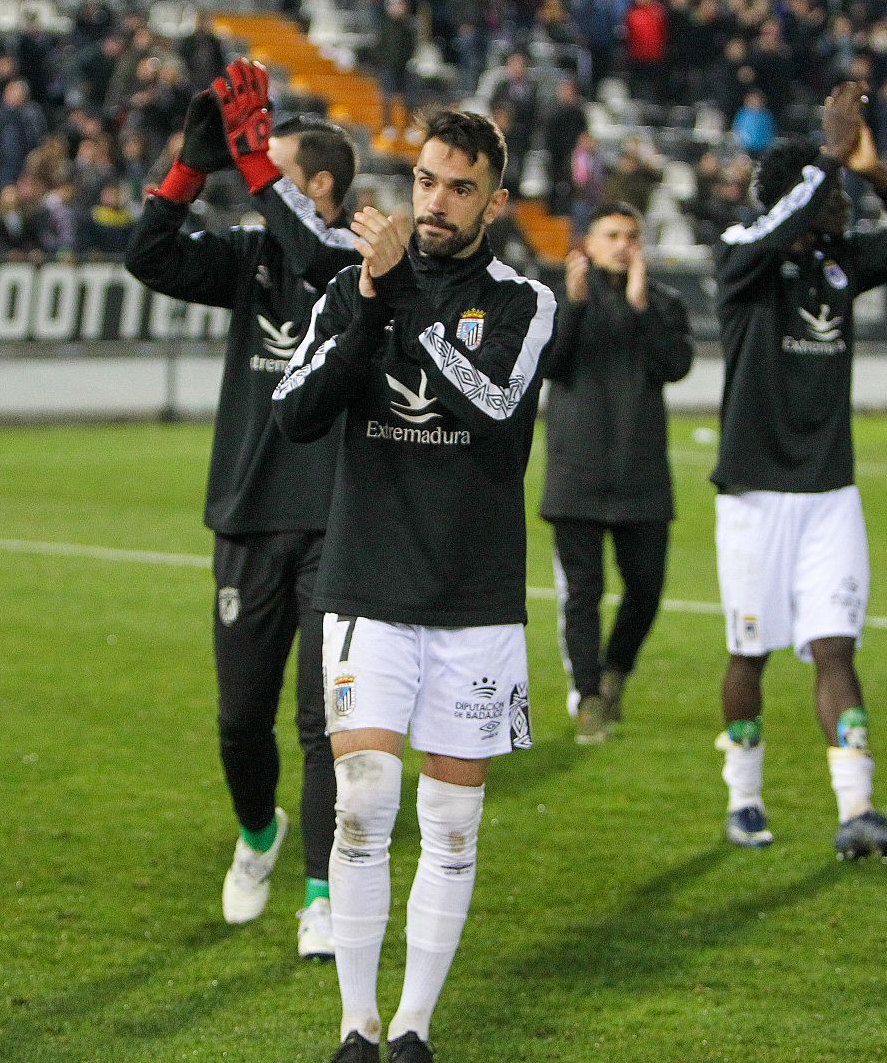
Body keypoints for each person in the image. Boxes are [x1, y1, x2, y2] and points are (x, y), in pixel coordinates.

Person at [273, 110, 555, 1063]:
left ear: (495, 202)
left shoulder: (524, 302)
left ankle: (413, 1025)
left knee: (452, 821)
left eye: (461, 187)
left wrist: (403, 306)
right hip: (364, 585)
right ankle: (356, 1023)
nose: (437, 201)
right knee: (361, 799)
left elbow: (495, 408)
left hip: (474, 597)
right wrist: (367, 307)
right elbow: (297, 414)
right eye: (428, 181)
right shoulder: (352, 291)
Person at [124, 59, 362, 960]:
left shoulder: (359, 258)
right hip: (249, 514)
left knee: (321, 722)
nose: (257, 173)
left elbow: (313, 251)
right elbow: (146, 255)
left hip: (337, 523)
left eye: (276, 164)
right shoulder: (250, 255)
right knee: (239, 720)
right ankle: (257, 830)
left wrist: (254, 162)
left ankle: (319, 890)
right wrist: (189, 167)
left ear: (322, 186)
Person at [710, 82, 887, 859]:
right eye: (834, 191)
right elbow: (767, 234)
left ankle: (858, 808)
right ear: (794, 199)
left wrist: (874, 172)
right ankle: (744, 794)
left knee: (835, 647)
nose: (844, 204)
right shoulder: (741, 260)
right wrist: (824, 163)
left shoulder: (844, 264)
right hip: (752, 495)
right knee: (749, 653)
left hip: (830, 495)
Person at [542, 202, 692, 744]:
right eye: (612, 234)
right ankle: (587, 699)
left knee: (646, 589)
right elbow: (550, 366)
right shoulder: (560, 300)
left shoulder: (663, 303)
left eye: (632, 235)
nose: (623, 244)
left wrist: (640, 306)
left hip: (642, 473)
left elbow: (674, 366)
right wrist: (577, 307)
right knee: (583, 594)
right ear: (588, 242)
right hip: (576, 474)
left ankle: (614, 674)